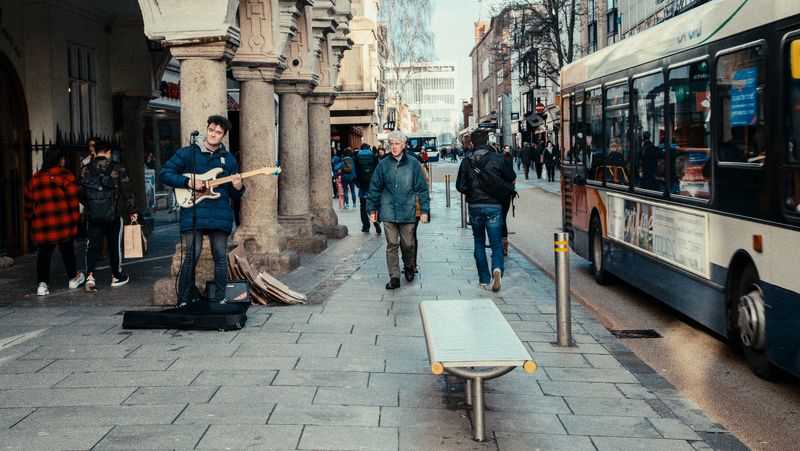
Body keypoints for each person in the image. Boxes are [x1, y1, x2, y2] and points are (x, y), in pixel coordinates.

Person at [159, 115, 244, 305]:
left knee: (220, 257)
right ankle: (183, 299)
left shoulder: (228, 160)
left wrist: (238, 187)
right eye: (211, 130)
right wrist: (187, 181)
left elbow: (234, 194)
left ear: (223, 136)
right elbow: (165, 173)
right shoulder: (188, 153)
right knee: (192, 255)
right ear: (207, 129)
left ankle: (221, 299)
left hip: (220, 213)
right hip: (194, 210)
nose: (214, 134)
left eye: (218, 132)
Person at [366, 130, 430, 289]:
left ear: (403, 145)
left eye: (397, 144)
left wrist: (424, 210)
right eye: (391, 144)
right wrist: (372, 209)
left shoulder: (413, 164)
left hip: (407, 210)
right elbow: (374, 188)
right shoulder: (383, 164)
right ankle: (394, 277)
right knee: (392, 244)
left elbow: (422, 189)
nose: (393, 147)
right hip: (388, 210)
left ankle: (409, 266)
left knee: (408, 244)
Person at [456, 128, 516, 292]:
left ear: (472, 143)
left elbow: (459, 186)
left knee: (478, 242)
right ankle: (497, 269)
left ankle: (484, 279)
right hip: (494, 206)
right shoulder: (497, 158)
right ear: (487, 141)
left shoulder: (466, 161)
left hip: (475, 206)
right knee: (496, 243)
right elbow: (511, 177)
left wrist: (471, 191)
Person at [24, 146, 85, 296]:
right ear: (60, 160)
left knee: (44, 254)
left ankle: (42, 285)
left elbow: (28, 202)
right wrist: (75, 221)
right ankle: (72, 279)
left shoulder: (35, 178)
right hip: (63, 221)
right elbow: (73, 201)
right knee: (67, 252)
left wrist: (29, 218)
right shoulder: (66, 176)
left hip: (42, 223)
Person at [78, 140, 138, 292]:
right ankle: (116, 276)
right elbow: (126, 190)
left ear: (96, 151)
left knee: (92, 245)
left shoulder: (85, 170)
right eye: (110, 152)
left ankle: (90, 276)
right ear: (107, 151)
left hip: (92, 215)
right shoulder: (117, 168)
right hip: (113, 214)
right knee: (114, 246)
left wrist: (91, 206)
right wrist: (132, 211)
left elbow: (80, 193)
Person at [354, 143, 381, 234]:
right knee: (375, 204)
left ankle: (366, 226)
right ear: (369, 149)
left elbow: (355, 172)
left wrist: (357, 183)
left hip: (362, 186)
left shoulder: (357, 157)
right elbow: (378, 171)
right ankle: (375, 220)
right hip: (373, 186)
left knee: (363, 206)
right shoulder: (374, 157)